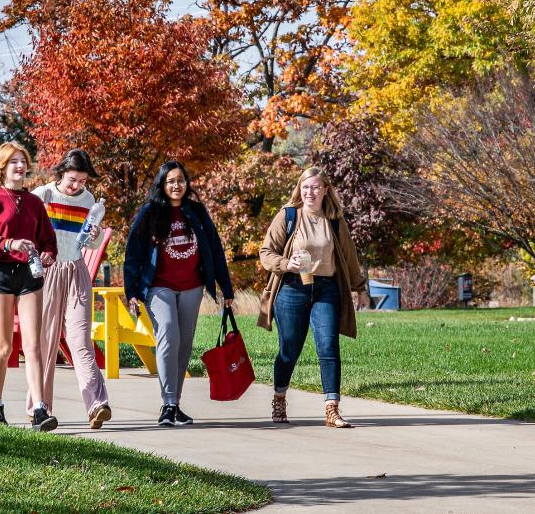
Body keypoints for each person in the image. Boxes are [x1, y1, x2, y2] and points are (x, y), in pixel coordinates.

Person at [258, 166, 370, 429]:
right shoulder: (287, 216)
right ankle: (279, 398)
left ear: (325, 190)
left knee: (329, 347)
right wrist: (287, 263)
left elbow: (350, 257)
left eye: (316, 187)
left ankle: (332, 409)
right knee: (289, 350)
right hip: (292, 288)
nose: (310, 192)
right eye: (306, 187)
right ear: (300, 188)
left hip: (326, 289)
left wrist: (360, 288)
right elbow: (265, 252)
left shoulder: (334, 219)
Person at [124, 160, 234, 427]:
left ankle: (176, 405)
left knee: (184, 344)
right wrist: (132, 292)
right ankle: (168, 403)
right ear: (162, 184)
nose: (176, 185)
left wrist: (225, 287)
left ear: (187, 184)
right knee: (169, 335)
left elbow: (214, 249)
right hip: (159, 286)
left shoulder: (195, 211)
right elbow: (133, 252)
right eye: (171, 181)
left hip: (192, 286)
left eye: (181, 180)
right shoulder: (150, 212)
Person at [0, 141, 59, 431]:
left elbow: (48, 239)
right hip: (0, 276)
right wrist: (7, 243)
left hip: (30, 275)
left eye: (23, 161)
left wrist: (48, 254)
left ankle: (40, 410)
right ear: (2, 167)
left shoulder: (34, 202)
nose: (20, 166)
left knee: (34, 345)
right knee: (5, 347)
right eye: (13, 162)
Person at [27, 149, 113, 429]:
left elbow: (87, 243)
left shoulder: (89, 201)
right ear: (62, 172)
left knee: (80, 340)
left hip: (76, 270)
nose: (77, 185)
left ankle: (97, 404)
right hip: (48, 271)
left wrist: (95, 236)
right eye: (73, 179)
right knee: (46, 341)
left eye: (83, 181)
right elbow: (29, 232)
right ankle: (39, 408)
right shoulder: (43, 195)